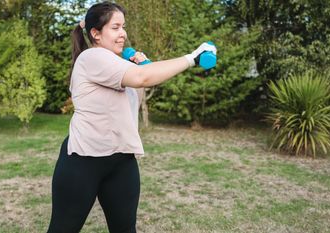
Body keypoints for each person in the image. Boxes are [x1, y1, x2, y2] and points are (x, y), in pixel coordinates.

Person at [47, 2, 217, 233]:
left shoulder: (118, 64)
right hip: (84, 162)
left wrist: (140, 66)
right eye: (115, 27)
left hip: (121, 161)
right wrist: (192, 58)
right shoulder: (91, 58)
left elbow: (136, 91)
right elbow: (143, 78)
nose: (123, 34)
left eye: (123, 27)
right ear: (96, 34)